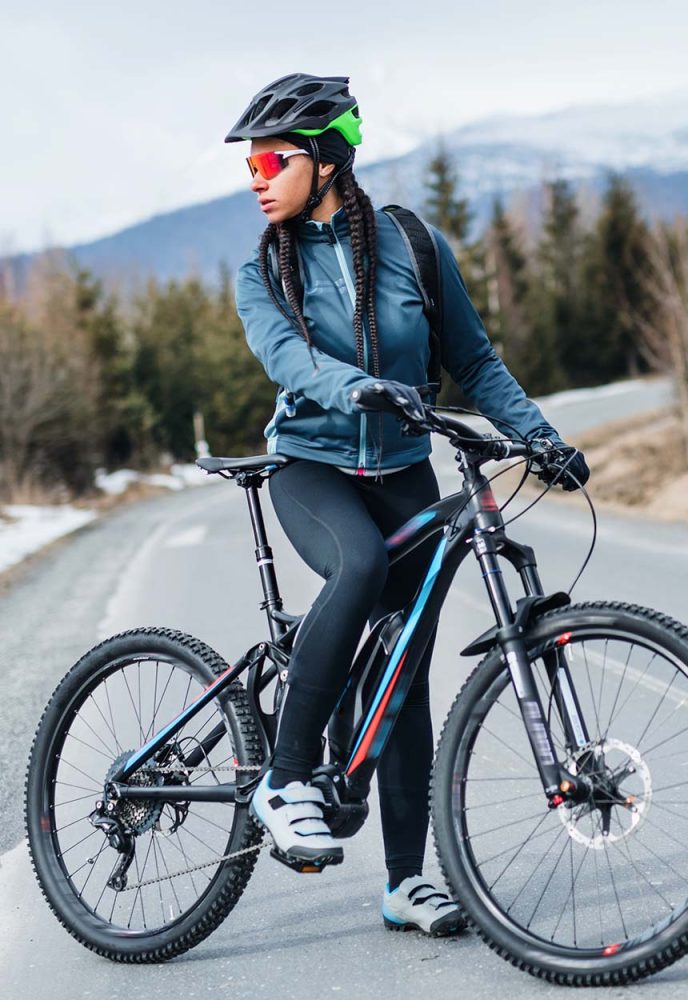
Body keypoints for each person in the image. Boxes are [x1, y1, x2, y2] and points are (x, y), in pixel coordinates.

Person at [226, 73, 590, 936]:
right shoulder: (260, 270)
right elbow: (287, 359)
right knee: (356, 565)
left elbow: (475, 359)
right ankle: (284, 778)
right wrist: (354, 387)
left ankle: (404, 882)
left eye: (272, 161)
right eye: (250, 165)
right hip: (312, 466)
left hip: (402, 471)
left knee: (406, 668)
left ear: (325, 161)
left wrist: (542, 438)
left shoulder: (413, 244)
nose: (256, 179)